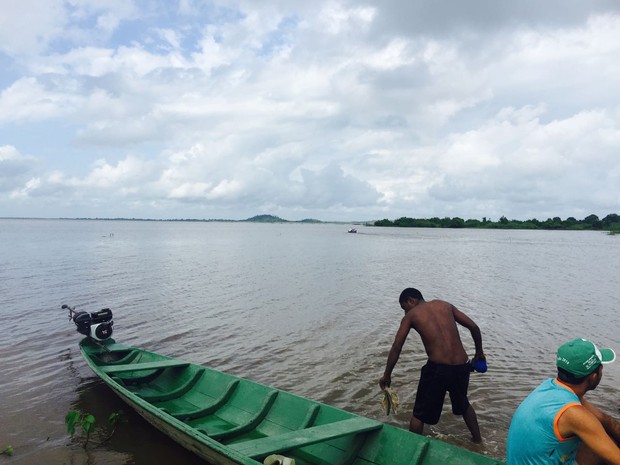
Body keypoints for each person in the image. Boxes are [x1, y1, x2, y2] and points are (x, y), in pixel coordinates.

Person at [379, 287, 485, 442]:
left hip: (438, 370)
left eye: (404, 308)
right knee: (464, 404)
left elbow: (396, 347)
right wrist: (479, 353)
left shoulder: (412, 315)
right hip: (462, 367)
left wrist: (387, 374)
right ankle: (478, 442)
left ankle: (413, 446)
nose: (405, 313)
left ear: (411, 300)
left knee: (418, 414)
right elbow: (474, 327)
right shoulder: (445, 305)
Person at [506, 338, 620, 465]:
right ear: (593, 377)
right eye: (601, 368)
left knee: (605, 439)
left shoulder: (551, 386)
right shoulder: (575, 414)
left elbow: (604, 420)